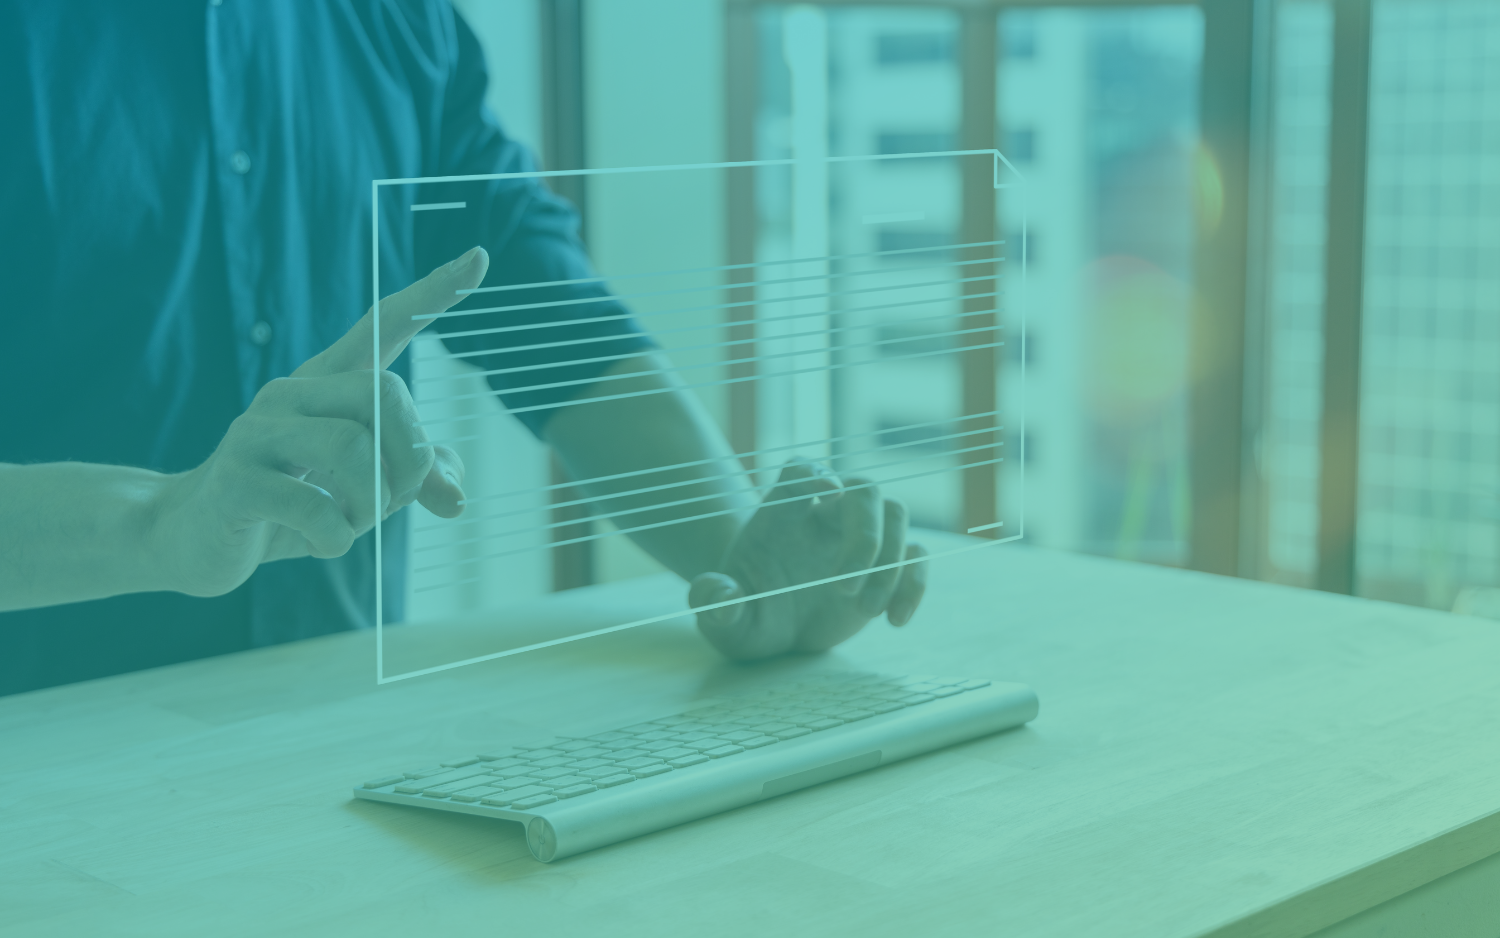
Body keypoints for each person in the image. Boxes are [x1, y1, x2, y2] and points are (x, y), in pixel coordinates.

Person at [0, 0, 927, 695]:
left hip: (328, 730)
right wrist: (160, 523)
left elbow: (550, 314)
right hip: (48, 771)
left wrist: (742, 561)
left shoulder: (398, 19)